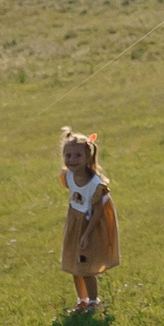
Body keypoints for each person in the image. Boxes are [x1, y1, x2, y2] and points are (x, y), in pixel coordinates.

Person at [58, 127, 120, 315]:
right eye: (68, 155)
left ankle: (94, 301)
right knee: (74, 265)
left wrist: (86, 234)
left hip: (90, 225)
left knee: (86, 267)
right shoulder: (68, 176)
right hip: (74, 224)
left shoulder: (95, 184)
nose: (72, 160)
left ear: (88, 157)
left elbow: (98, 213)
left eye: (77, 156)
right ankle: (81, 300)